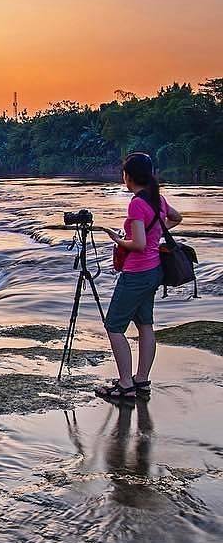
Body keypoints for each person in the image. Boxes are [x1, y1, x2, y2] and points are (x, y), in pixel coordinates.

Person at [96, 152, 182, 400]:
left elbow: (139, 244)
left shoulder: (136, 203)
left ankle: (125, 384)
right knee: (145, 324)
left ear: (129, 177)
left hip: (136, 273)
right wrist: (155, 234)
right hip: (154, 271)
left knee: (114, 327)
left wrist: (117, 239)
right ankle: (141, 379)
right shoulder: (158, 199)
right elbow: (176, 218)